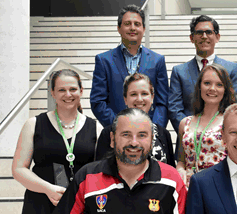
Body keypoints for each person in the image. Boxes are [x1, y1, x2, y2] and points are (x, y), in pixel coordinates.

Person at [53, 108, 187, 214]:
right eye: (126, 134)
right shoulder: (86, 177)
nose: (134, 143)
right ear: (112, 139)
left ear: (152, 140)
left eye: (142, 135)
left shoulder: (172, 180)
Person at [12, 69, 102, 213]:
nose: (68, 94)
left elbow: (100, 173)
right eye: (61, 90)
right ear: (52, 93)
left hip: (80, 204)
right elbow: (18, 169)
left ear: (81, 91)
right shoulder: (33, 124)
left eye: (73, 89)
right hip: (40, 203)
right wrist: (48, 189)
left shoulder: (96, 128)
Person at [90, 4, 168, 127]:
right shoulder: (103, 60)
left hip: (149, 132)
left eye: (137, 24)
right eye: (127, 24)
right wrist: (119, 126)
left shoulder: (157, 60)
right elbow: (98, 101)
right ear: (118, 28)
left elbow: (162, 102)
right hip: (117, 133)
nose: (132, 28)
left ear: (144, 29)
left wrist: (153, 129)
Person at [169, 15, 237, 133]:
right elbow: (174, 109)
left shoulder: (232, 69)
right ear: (191, 38)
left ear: (217, 37)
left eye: (209, 32)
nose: (204, 36)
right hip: (189, 138)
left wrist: (217, 133)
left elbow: (236, 106)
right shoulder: (179, 72)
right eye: (199, 32)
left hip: (222, 138)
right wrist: (191, 132)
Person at [95, 73, 175, 167]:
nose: (139, 99)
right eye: (133, 94)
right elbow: (99, 172)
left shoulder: (163, 134)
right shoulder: (108, 133)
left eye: (144, 93)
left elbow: (171, 172)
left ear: (152, 98)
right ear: (125, 99)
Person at [176, 63, 236, 186]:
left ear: (225, 90)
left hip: (219, 187)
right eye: (207, 83)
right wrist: (180, 170)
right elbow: (181, 161)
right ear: (199, 87)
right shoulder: (185, 123)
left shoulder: (230, 122)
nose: (212, 88)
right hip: (190, 188)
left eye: (219, 84)